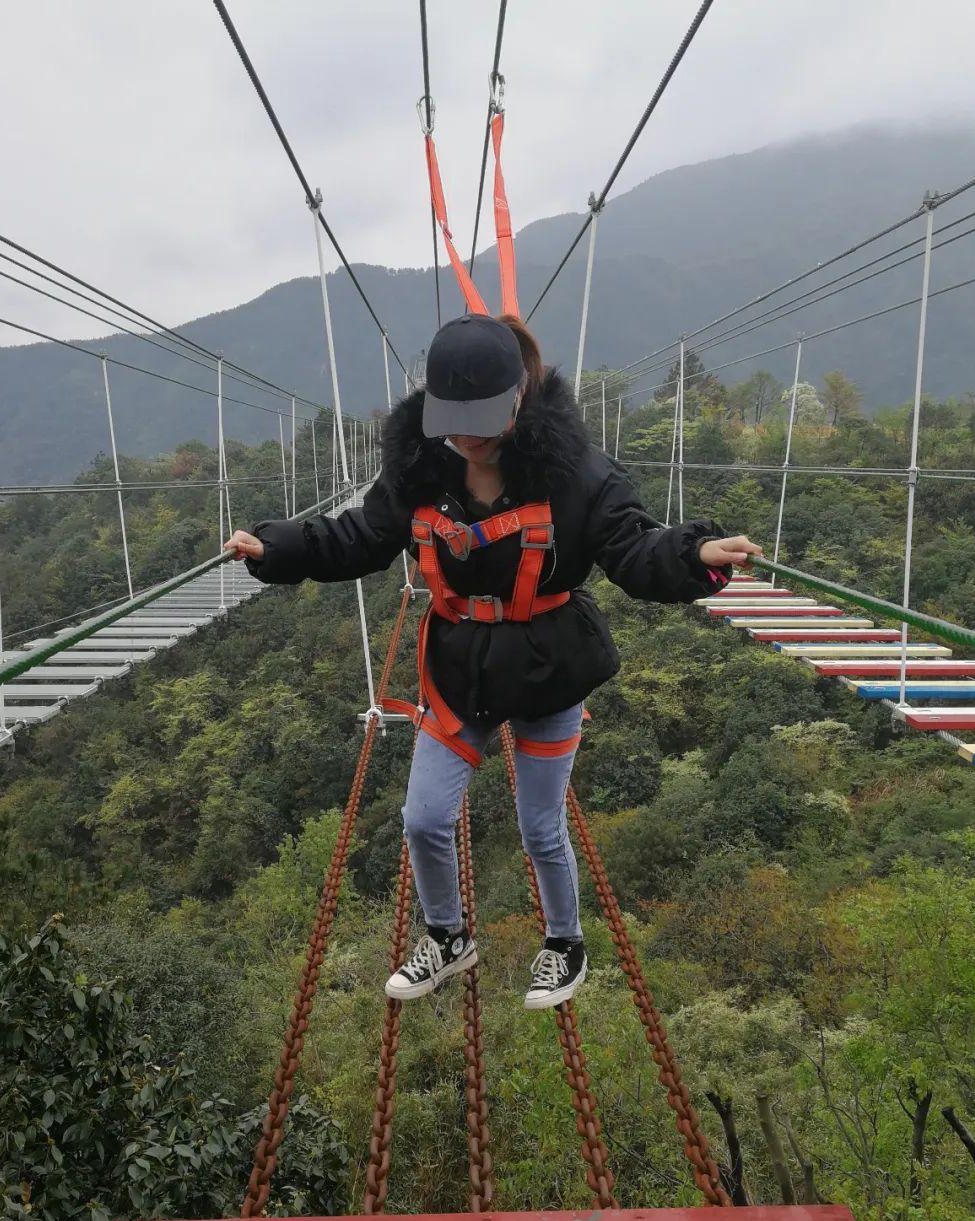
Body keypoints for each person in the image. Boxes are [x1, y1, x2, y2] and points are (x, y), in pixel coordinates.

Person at [226, 313, 761, 1010]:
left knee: (541, 824)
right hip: (460, 666)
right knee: (423, 817)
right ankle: (448, 937)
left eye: (482, 417)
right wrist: (277, 548)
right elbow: (360, 536)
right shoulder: (422, 471)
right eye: (454, 419)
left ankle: (564, 943)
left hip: (547, 666)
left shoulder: (579, 477)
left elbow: (633, 548)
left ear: (520, 395)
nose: (468, 436)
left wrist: (693, 554)